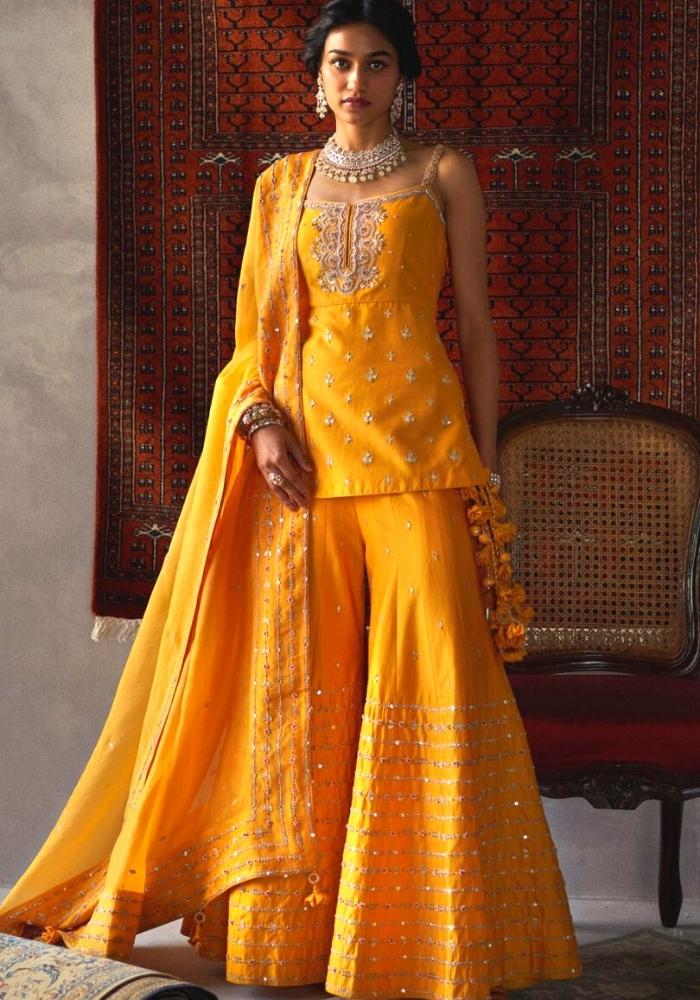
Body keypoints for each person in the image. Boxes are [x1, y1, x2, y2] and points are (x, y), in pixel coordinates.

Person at [0, 1, 583, 997]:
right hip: (306, 476)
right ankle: (300, 942)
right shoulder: (281, 188)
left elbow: (478, 328)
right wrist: (260, 424)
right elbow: (251, 346)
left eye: (378, 63)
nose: (357, 81)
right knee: (307, 705)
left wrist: (483, 465)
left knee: (434, 686)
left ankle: (432, 937)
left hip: (420, 462)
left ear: (404, 77)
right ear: (316, 80)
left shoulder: (444, 173)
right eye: (341, 64)